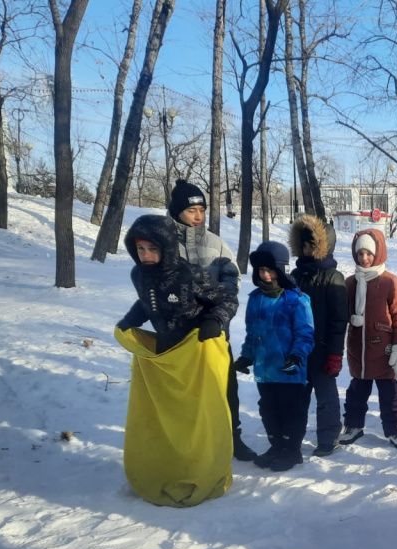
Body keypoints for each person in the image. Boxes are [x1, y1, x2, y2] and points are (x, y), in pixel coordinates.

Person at [165, 179, 257, 462]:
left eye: (201, 209)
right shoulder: (163, 245)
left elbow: (232, 283)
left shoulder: (215, 244)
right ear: (177, 211)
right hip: (178, 338)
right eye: (191, 210)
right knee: (183, 395)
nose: (198, 215)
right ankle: (188, 445)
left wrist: (217, 318)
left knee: (224, 388)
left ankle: (233, 438)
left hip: (215, 335)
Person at [234, 241, 315, 472]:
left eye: (270, 270)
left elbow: (305, 334)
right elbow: (253, 333)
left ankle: (292, 450)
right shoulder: (255, 298)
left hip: (290, 370)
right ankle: (277, 445)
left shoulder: (297, 299)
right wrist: (246, 356)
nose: (265, 275)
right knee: (268, 410)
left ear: (281, 270)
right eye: (261, 270)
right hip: (265, 369)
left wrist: (297, 356)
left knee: (291, 410)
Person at [116, 214, 232, 354]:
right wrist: (132, 318)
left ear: (166, 247)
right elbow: (148, 300)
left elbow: (227, 299)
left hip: (201, 345)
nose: (145, 255)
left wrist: (215, 320)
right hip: (167, 346)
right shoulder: (139, 275)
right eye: (140, 248)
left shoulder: (190, 275)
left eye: (153, 249)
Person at [340, 229, 397, 449]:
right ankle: (353, 425)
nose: (364, 258)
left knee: (389, 393)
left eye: (368, 253)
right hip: (358, 348)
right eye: (360, 254)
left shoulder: (390, 282)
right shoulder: (350, 282)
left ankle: (395, 429)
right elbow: (341, 312)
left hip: (384, 349)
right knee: (357, 391)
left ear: (377, 253)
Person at [289, 214, 347, 457]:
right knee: (298, 398)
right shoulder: (295, 276)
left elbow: (338, 320)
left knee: (326, 397)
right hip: (299, 350)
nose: (306, 250)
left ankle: (329, 436)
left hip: (323, 349)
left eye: (311, 245)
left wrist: (335, 353)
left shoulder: (334, 278)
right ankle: (292, 437)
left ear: (324, 246)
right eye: (303, 245)